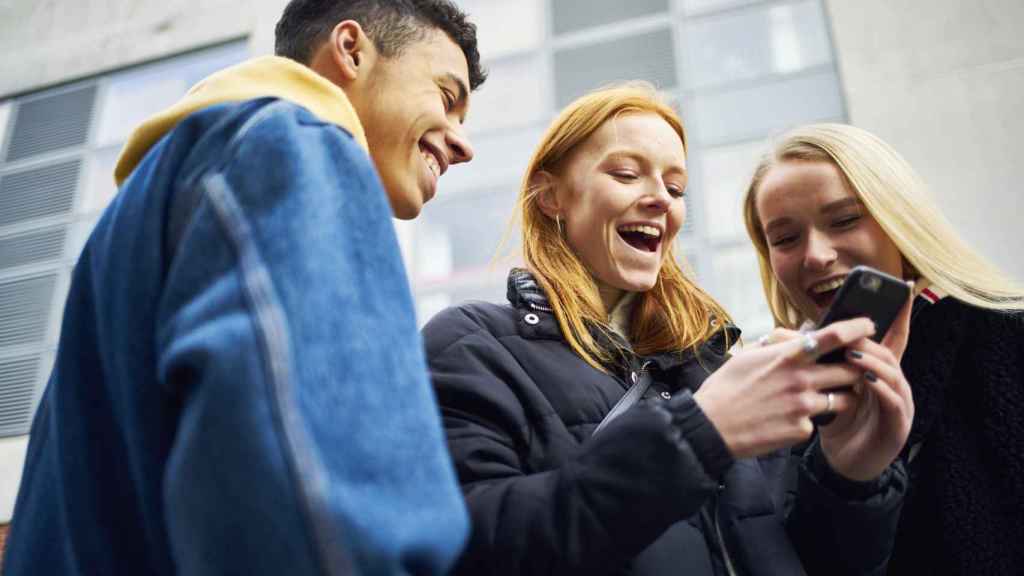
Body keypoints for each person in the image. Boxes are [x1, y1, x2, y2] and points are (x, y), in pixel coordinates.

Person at [3, 1, 486, 574]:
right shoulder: (298, 147)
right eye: (447, 97)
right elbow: (314, 509)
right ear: (351, 50)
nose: (462, 144)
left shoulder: (144, 216)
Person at [422, 84, 913, 576]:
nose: (661, 199)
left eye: (676, 189)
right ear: (551, 196)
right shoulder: (472, 346)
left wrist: (852, 479)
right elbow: (467, 548)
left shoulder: (720, 365)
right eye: (626, 174)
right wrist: (698, 436)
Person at [742, 122, 1024, 575]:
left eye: (845, 219)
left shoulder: (1006, 334)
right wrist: (846, 477)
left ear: (901, 220)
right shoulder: (783, 399)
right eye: (785, 238)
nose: (815, 255)